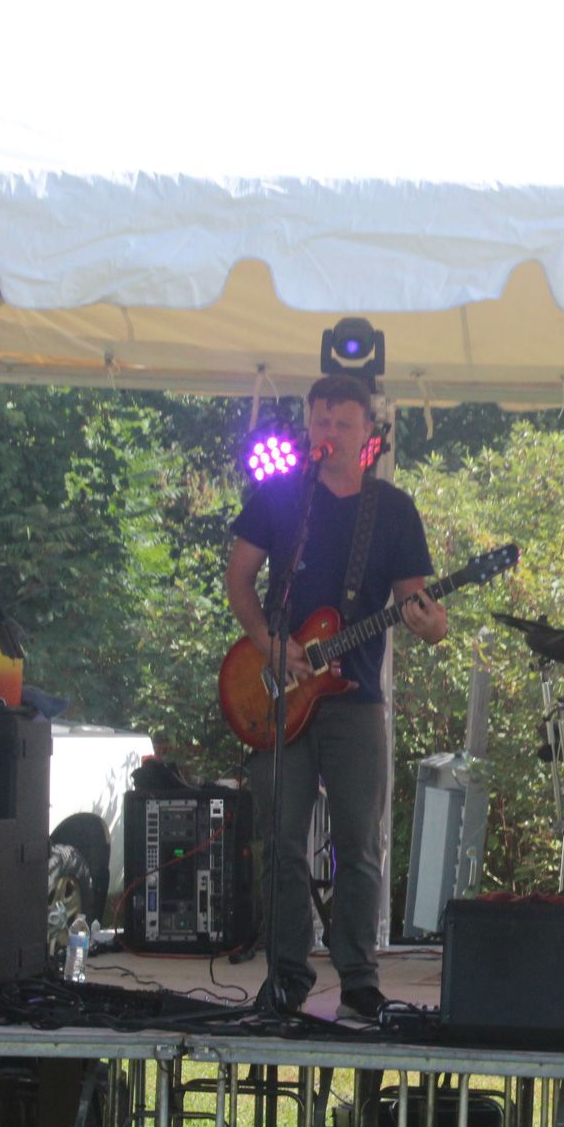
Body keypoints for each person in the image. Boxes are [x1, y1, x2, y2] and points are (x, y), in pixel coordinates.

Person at [226, 373, 448, 1020]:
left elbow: (416, 603)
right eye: (319, 420)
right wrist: (270, 644)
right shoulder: (277, 498)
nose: (327, 432)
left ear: (368, 434)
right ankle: (287, 976)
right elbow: (239, 579)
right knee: (281, 840)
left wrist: (430, 624)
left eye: (341, 422)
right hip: (277, 692)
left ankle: (358, 977)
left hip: (355, 700)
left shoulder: (393, 510)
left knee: (359, 844)